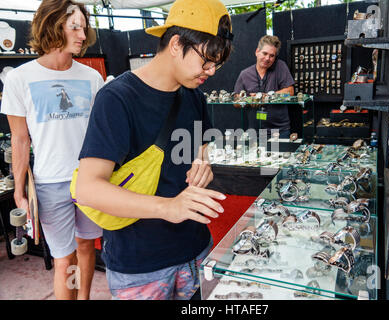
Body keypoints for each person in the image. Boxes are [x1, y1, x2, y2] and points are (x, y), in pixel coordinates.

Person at [74, 0, 233, 300]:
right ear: (176, 44)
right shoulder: (118, 99)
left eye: (217, 64)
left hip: (195, 250)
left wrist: (204, 164)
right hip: (140, 263)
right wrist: (168, 207)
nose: (211, 71)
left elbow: (202, 150)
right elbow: (88, 188)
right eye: (207, 61)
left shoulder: (195, 97)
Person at [1, 0, 104, 300]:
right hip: (49, 183)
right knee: (63, 259)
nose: (82, 35)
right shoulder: (19, 79)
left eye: (84, 28)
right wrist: (19, 189)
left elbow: (100, 133)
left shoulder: (92, 78)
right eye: (74, 27)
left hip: (88, 180)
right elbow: (20, 140)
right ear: (52, 25)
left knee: (87, 247)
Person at [234, 35, 295, 139]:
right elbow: (236, 101)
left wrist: (267, 96)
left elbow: (290, 91)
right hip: (254, 132)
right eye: (265, 53)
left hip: (280, 131)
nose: (267, 58)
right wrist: (250, 100)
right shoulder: (245, 74)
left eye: (272, 56)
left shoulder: (280, 66)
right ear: (257, 52)